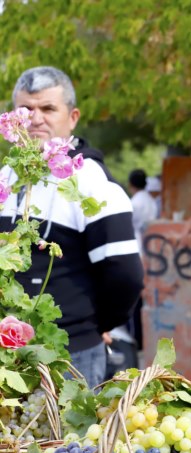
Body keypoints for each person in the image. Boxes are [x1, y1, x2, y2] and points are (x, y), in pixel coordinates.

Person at [0, 66, 144, 387]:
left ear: (73, 117)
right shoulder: (6, 177)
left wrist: (95, 324)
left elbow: (126, 274)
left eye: (48, 108)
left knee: (66, 439)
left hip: (70, 355)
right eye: (25, 109)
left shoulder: (91, 180)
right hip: (7, 356)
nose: (35, 119)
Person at [128, 168, 158, 248]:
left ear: (130, 184)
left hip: (136, 242)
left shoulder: (134, 202)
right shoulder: (151, 200)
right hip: (150, 241)